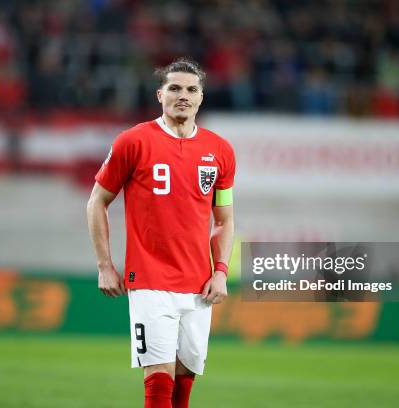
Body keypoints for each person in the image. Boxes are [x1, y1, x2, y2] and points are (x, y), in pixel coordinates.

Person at [87, 57, 236, 408]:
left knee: (184, 385)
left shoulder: (220, 152)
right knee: (158, 383)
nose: (183, 95)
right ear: (160, 95)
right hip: (150, 281)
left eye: (191, 89)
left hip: (199, 284)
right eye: (174, 88)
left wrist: (220, 271)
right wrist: (104, 264)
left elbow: (224, 220)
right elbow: (96, 202)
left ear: (201, 97)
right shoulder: (133, 141)